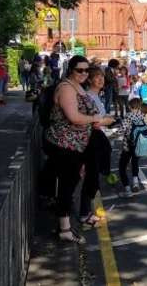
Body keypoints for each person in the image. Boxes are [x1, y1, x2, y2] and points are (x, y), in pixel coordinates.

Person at [44, 55, 113, 243]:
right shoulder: (66, 88)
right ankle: (64, 230)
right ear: (70, 70)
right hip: (65, 143)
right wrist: (98, 120)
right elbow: (74, 117)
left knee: (72, 181)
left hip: (77, 143)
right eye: (79, 70)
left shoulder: (77, 87)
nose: (84, 73)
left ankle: (68, 224)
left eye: (86, 70)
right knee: (67, 184)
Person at [80, 67, 112, 227]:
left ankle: (87, 212)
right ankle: (85, 214)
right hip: (91, 141)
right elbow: (96, 122)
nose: (101, 79)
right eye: (97, 77)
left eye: (102, 77)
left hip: (95, 140)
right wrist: (109, 120)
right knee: (90, 178)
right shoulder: (90, 96)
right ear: (90, 80)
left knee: (91, 177)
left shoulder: (95, 96)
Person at [118, 98, 147, 198]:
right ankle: (135, 183)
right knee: (135, 163)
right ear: (139, 106)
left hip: (128, 145)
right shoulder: (142, 116)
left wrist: (112, 135)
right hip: (139, 144)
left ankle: (127, 189)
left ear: (129, 106)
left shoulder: (128, 116)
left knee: (122, 167)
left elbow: (121, 130)